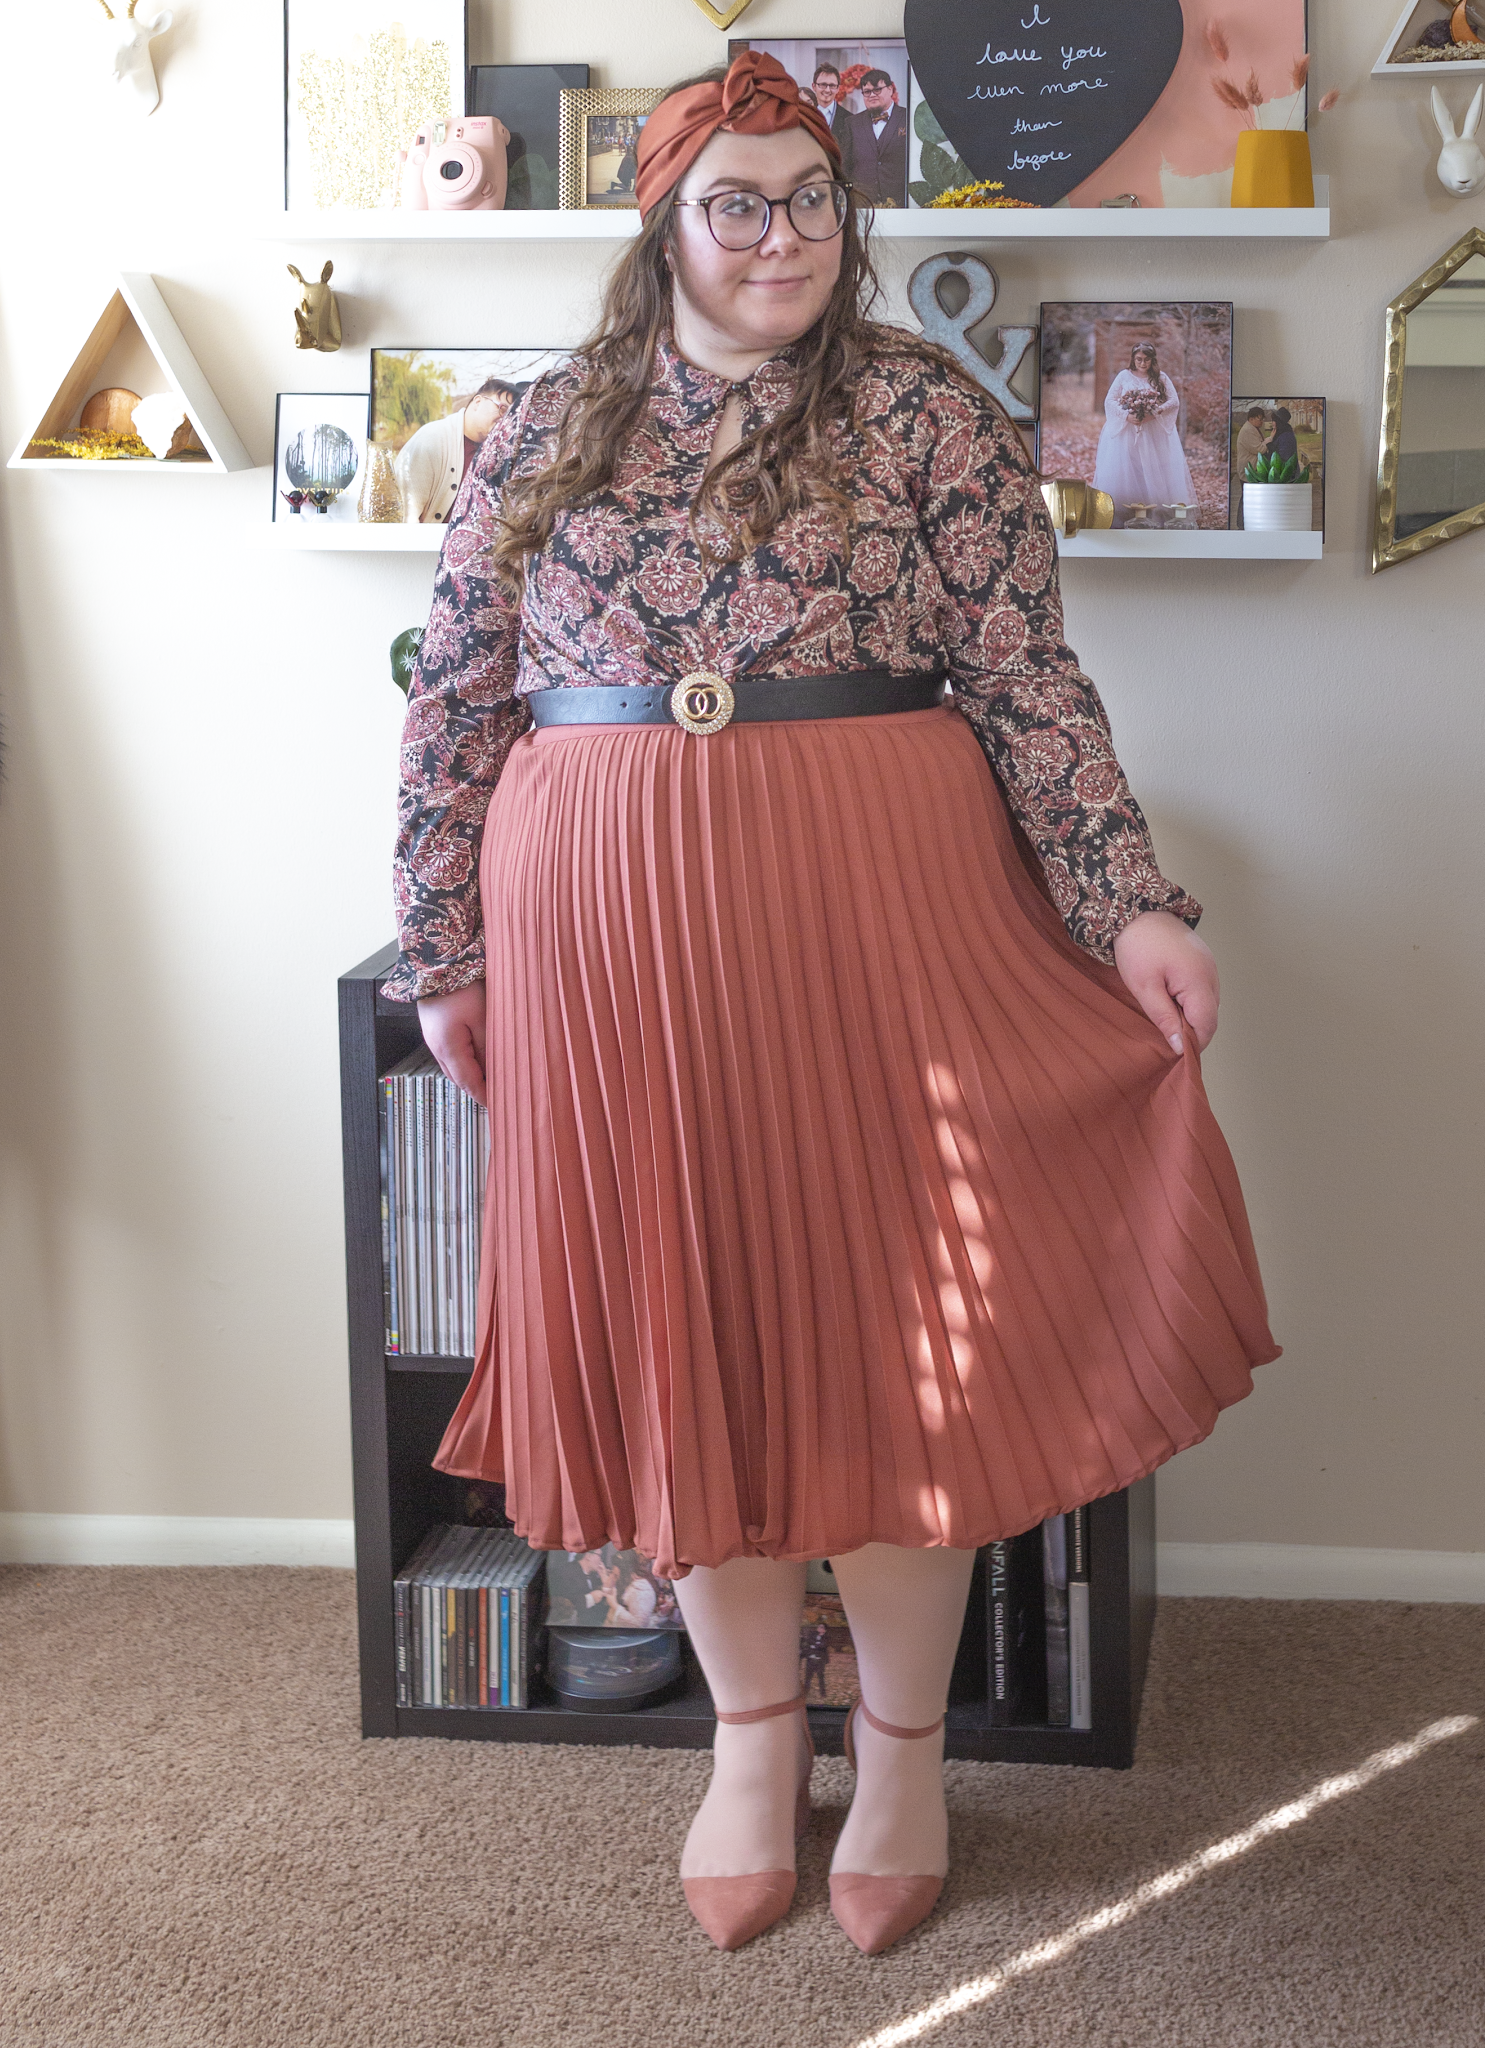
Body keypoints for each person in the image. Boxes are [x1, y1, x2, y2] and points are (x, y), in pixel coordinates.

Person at [389, 49, 1276, 1959]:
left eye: (810, 201)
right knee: (680, 1319)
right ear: (667, 223)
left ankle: (896, 1756)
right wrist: (443, 944)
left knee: (899, 1337)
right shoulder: (542, 425)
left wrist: (1124, 909)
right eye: (739, 203)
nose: (780, 237)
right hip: (612, 944)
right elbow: (453, 699)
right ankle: (743, 1739)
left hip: (879, 909)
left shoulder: (926, 419)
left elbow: (1028, 684)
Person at [1093, 341, 1196, 524]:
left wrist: (1154, 413)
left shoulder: (1160, 377)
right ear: (1133, 359)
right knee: (1129, 469)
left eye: (1147, 360)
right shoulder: (1124, 376)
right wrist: (1127, 416)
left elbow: (1173, 401)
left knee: (1151, 467)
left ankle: (1154, 512)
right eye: (1139, 359)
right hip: (1127, 432)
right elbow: (1110, 400)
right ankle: (1124, 513)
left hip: (1152, 431)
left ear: (1152, 360)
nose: (1143, 363)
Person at [395, 378, 518, 523]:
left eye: (511, 416)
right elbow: (405, 514)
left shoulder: (502, 453)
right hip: (430, 543)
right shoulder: (432, 438)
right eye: (502, 409)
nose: (505, 420)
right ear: (477, 402)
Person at [843, 67, 906, 207]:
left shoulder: (908, 118)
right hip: (862, 204)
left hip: (900, 204)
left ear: (890, 89)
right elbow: (845, 167)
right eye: (867, 92)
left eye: (877, 90)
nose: (871, 95)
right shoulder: (852, 123)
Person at [808, 60, 852, 165]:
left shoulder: (849, 119)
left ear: (838, 88)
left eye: (832, 85)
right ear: (814, 86)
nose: (827, 90)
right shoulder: (803, 115)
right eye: (823, 85)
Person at [1234, 404, 1270, 476]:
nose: (1262, 421)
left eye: (1263, 419)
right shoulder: (1247, 430)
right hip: (1249, 472)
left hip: (1252, 470)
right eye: (1260, 419)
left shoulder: (1254, 428)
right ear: (1251, 419)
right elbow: (1260, 449)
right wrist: (1269, 440)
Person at [1269, 404, 1301, 469]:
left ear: (1279, 421)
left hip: (1287, 475)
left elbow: (1283, 458)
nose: (1272, 423)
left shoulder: (1286, 436)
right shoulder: (1280, 433)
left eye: (1274, 420)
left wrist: (1269, 444)